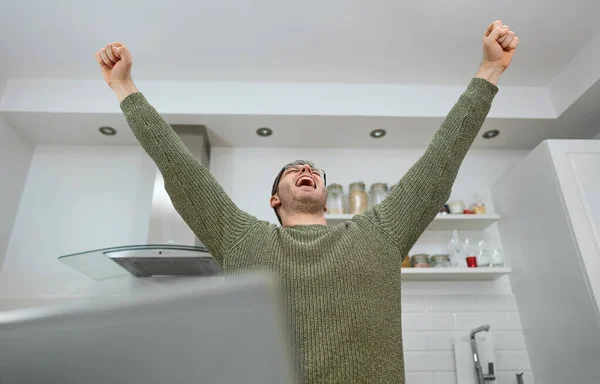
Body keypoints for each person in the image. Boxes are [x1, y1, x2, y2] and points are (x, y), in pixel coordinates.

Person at [95, 20, 519, 383]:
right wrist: (124, 86)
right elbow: (180, 168)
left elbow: (439, 162)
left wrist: (489, 71)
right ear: (274, 198)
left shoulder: (379, 231)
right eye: (295, 168)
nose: (307, 170)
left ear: (325, 197)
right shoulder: (241, 237)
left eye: (315, 170)